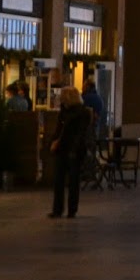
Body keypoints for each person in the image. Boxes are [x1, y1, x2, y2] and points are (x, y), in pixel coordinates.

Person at [47, 85, 93, 218]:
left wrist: (74, 149)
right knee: (59, 180)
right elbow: (58, 130)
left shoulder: (82, 112)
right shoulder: (64, 111)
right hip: (62, 148)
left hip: (75, 149)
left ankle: (71, 210)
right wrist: (53, 141)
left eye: (62, 95)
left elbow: (81, 133)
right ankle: (58, 209)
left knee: (73, 181)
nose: (59, 98)